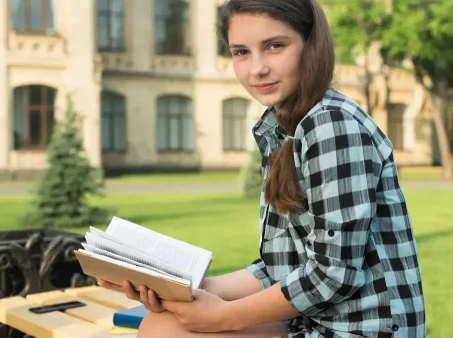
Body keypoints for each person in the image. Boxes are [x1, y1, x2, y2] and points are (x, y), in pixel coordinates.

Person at [98, 0, 426, 337]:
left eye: (275, 46)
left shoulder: (330, 125)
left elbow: (335, 275)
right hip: (318, 320)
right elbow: (286, 265)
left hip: (366, 330)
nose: (257, 69)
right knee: (163, 322)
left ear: (312, 46)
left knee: (164, 332)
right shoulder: (283, 128)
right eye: (241, 52)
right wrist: (185, 290)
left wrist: (223, 316)